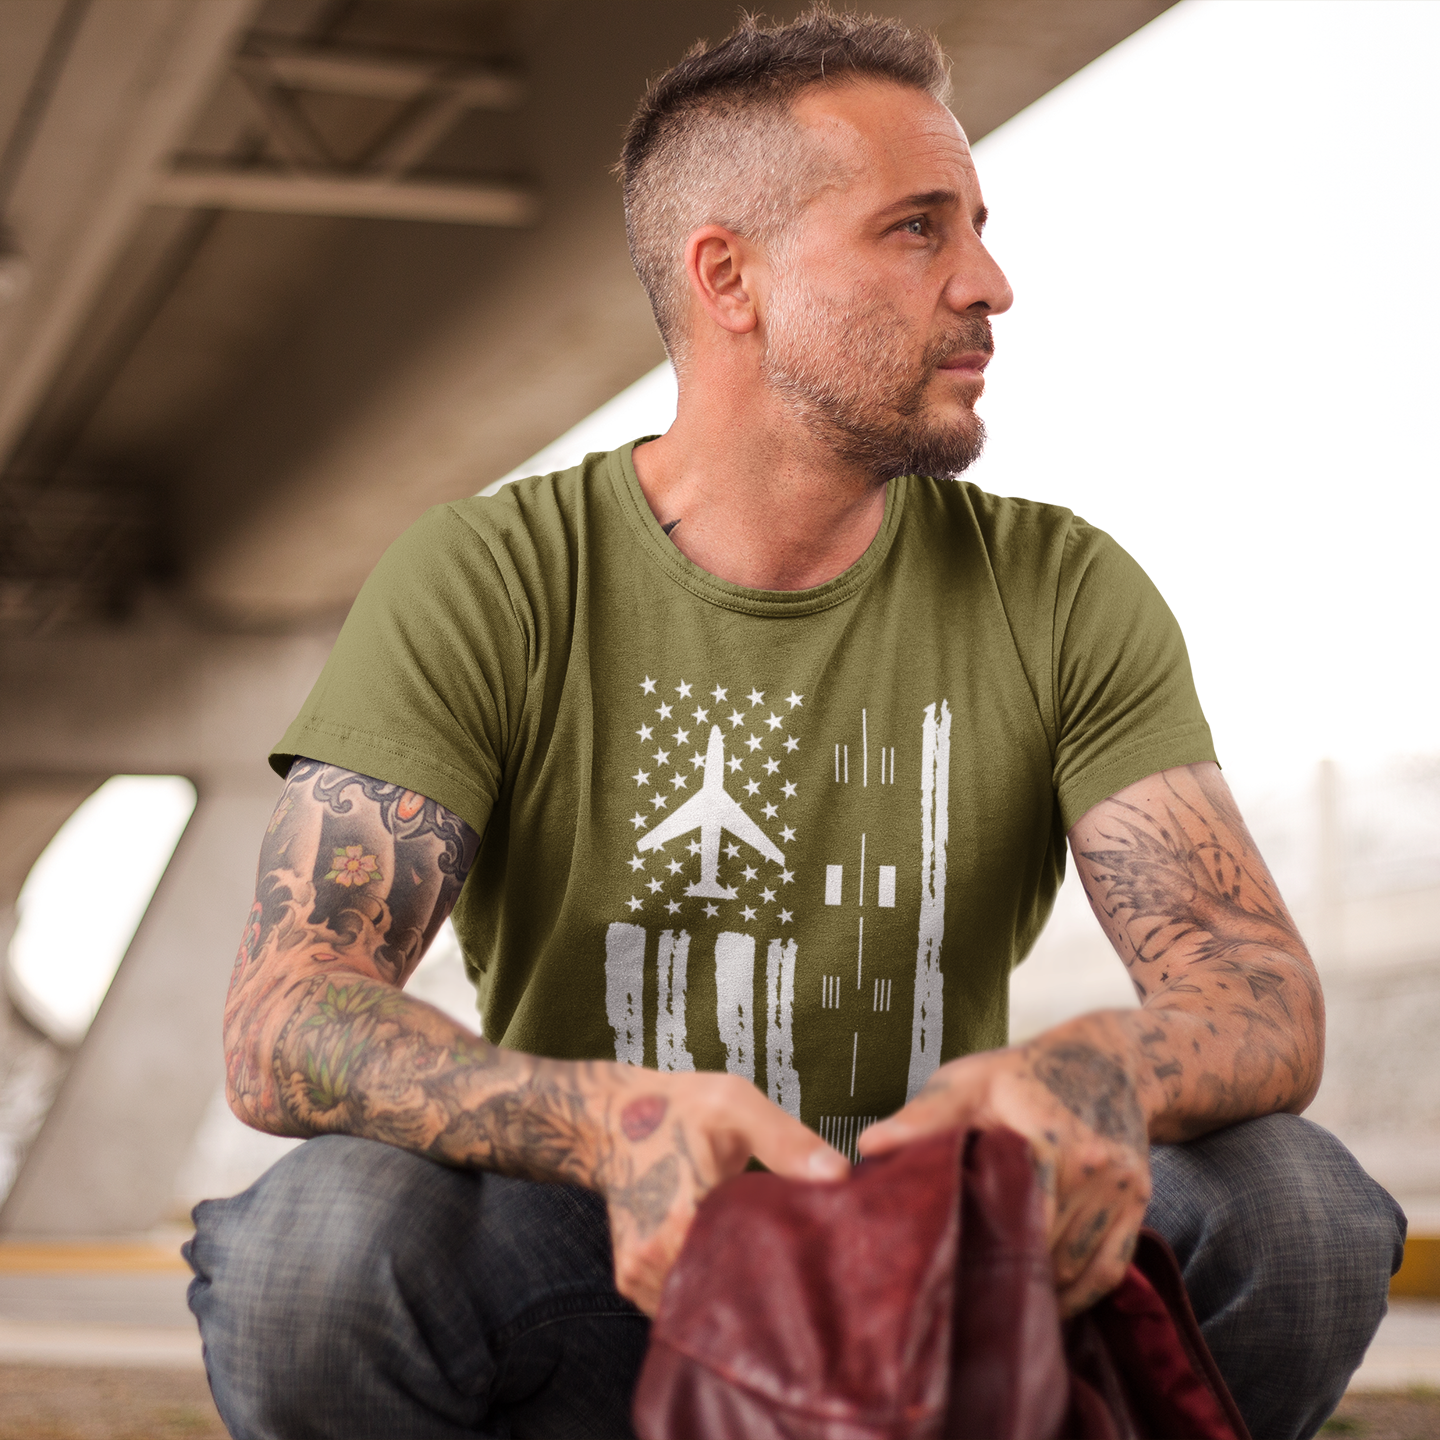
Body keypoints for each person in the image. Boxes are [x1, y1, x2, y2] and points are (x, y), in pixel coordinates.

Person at [187, 9, 1404, 1439]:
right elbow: (284, 1020)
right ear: (731, 278)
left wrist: (1092, 1073)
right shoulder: (491, 575)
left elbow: (1257, 988)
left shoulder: (1060, 586)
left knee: (1302, 1209)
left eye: (979, 226)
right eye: (916, 230)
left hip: (955, 1268)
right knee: (307, 1258)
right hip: (606, 1256)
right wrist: (614, 1122)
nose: (991, 283)